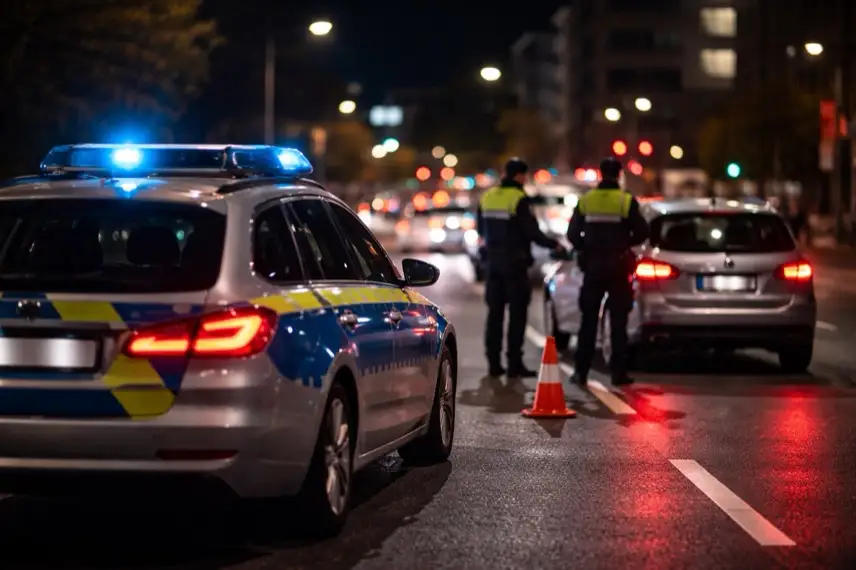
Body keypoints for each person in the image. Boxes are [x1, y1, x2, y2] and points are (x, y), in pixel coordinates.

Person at [477, 158, 566, 378]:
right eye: (525, 176)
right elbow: (532, 232)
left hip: (493, 265)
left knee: (495, 315)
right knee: (517, 316)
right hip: (515, 265)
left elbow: (480, 229)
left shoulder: (487, 197)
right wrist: (554, 244)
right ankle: (514, 364)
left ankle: (494, 364)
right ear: (519, 176)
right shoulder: (519, 198)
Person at [566, 157, 650, 386]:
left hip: (593, 267)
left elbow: (572, 235)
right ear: (619, 174)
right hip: (618, 267)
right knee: (618, 322)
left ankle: (580, 372)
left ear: (601, 173)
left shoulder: (586, 200)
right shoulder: (625, 201)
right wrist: (623, 243)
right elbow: (643, 232)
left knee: (588, 321)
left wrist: (587, 248)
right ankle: (618, 373)